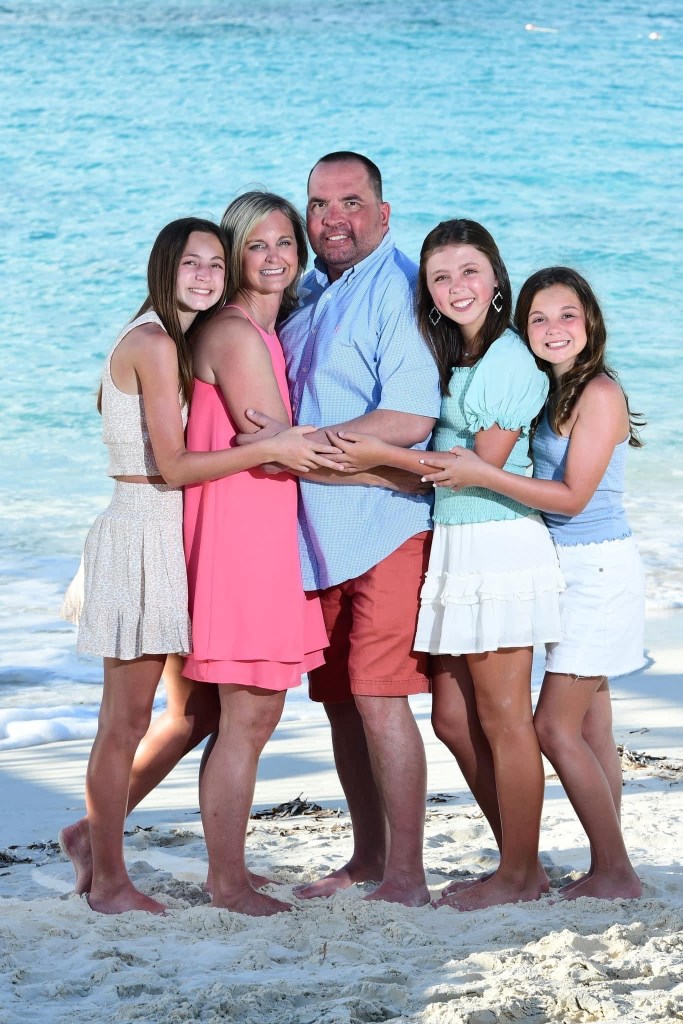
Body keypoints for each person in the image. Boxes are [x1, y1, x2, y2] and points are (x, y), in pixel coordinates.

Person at [62, 217, 340, 915]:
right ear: (164, 267)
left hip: (168, 534)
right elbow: (180, 465)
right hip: (140, 535)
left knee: (184, 715)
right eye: (193, 263)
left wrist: (272, 438)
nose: (207, 275)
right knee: (122, 723)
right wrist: (273, 445)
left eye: (217, 263)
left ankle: (92, 846)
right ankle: (111, 885)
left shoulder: (171, 341)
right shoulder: (155, 343)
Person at [333, 219, 565, 911]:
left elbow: (475, 469)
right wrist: (357, 461)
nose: (455, 286)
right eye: (440, 277)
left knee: (503, 721)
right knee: (453, 721)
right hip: (454, 549)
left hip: (498, 546)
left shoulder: (508, 361)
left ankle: (520, 875)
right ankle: (517, 861)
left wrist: (362, 451)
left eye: (468, 271)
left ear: (495, 280)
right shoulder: (455, 357)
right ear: (428, 294)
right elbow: (441, 467)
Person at [244, 153, 442, 906]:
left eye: (351, 202)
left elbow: (407, 418)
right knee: (337, 700)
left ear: (383, 215)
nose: (332, 217)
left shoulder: (394, 291)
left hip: (383, 526)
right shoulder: (309, 294)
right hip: (312, 536)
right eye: (319, 204)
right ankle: (367, 857)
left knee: (380, 695)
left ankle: (407, 877)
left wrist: (301, 448)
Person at [421, 266, 645, 900]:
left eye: (567, 316)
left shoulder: (598, 393)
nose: (553, 329)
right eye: (539, 319)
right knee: (592, 727)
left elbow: (573, 499)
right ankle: (610, 863)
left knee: (553, 728)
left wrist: (481, 474)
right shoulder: (555, 390)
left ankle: (616, 874)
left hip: (596, 569)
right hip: (567, 567)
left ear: (590, 322)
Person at [182, 192, 333, 916]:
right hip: (241, 540)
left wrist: (285, 440)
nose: (274, 257)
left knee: (242, 715)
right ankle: (227, 882)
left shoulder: (258, 332)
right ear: (236, 255)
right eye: (256, 246)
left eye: (285, 243)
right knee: (248, 714)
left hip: (256, 533)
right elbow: (280, 458)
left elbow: (280, 442)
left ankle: (222, 865)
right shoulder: (239, 334)